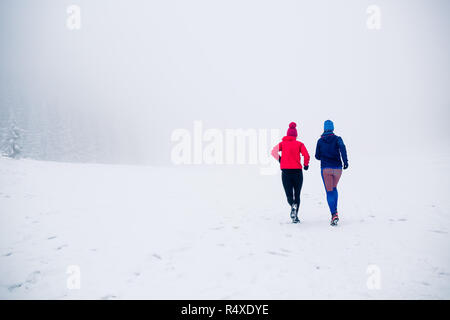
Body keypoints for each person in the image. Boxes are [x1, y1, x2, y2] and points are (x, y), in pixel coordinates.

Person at [271, 122, 310, 223]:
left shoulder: (282, 144)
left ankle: (292, 205)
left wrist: (281, 160)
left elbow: (273, 151)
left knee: (289, 194)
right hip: (297, 172)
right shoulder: (299, 144)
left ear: (287, 134)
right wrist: (306, 165)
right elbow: (306, 155)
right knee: (297, 195)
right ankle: (295, 216)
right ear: (296, 135)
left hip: (286, 173)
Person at [315, 120, 348, 226]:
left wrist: (324, 155)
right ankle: (335, 212)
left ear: (324, 128)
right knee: (334, 188)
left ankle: (334, 213)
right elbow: (343, 148)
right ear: (333, 128)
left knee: (329, 191)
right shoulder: (338, 139)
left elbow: (317, 156)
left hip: (326, 169)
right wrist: (345, 162)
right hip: (338, 169)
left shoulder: (320, 141)